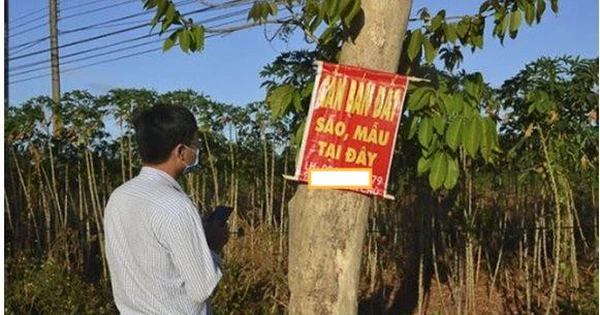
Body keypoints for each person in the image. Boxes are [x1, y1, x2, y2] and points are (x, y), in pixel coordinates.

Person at [104, 103, 229, 315]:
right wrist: (214, 248)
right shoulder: (176, 206)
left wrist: (198, 242)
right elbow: (201, 288)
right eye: (195, 145)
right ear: (181, 151)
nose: (196, 151)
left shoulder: (119, 196)